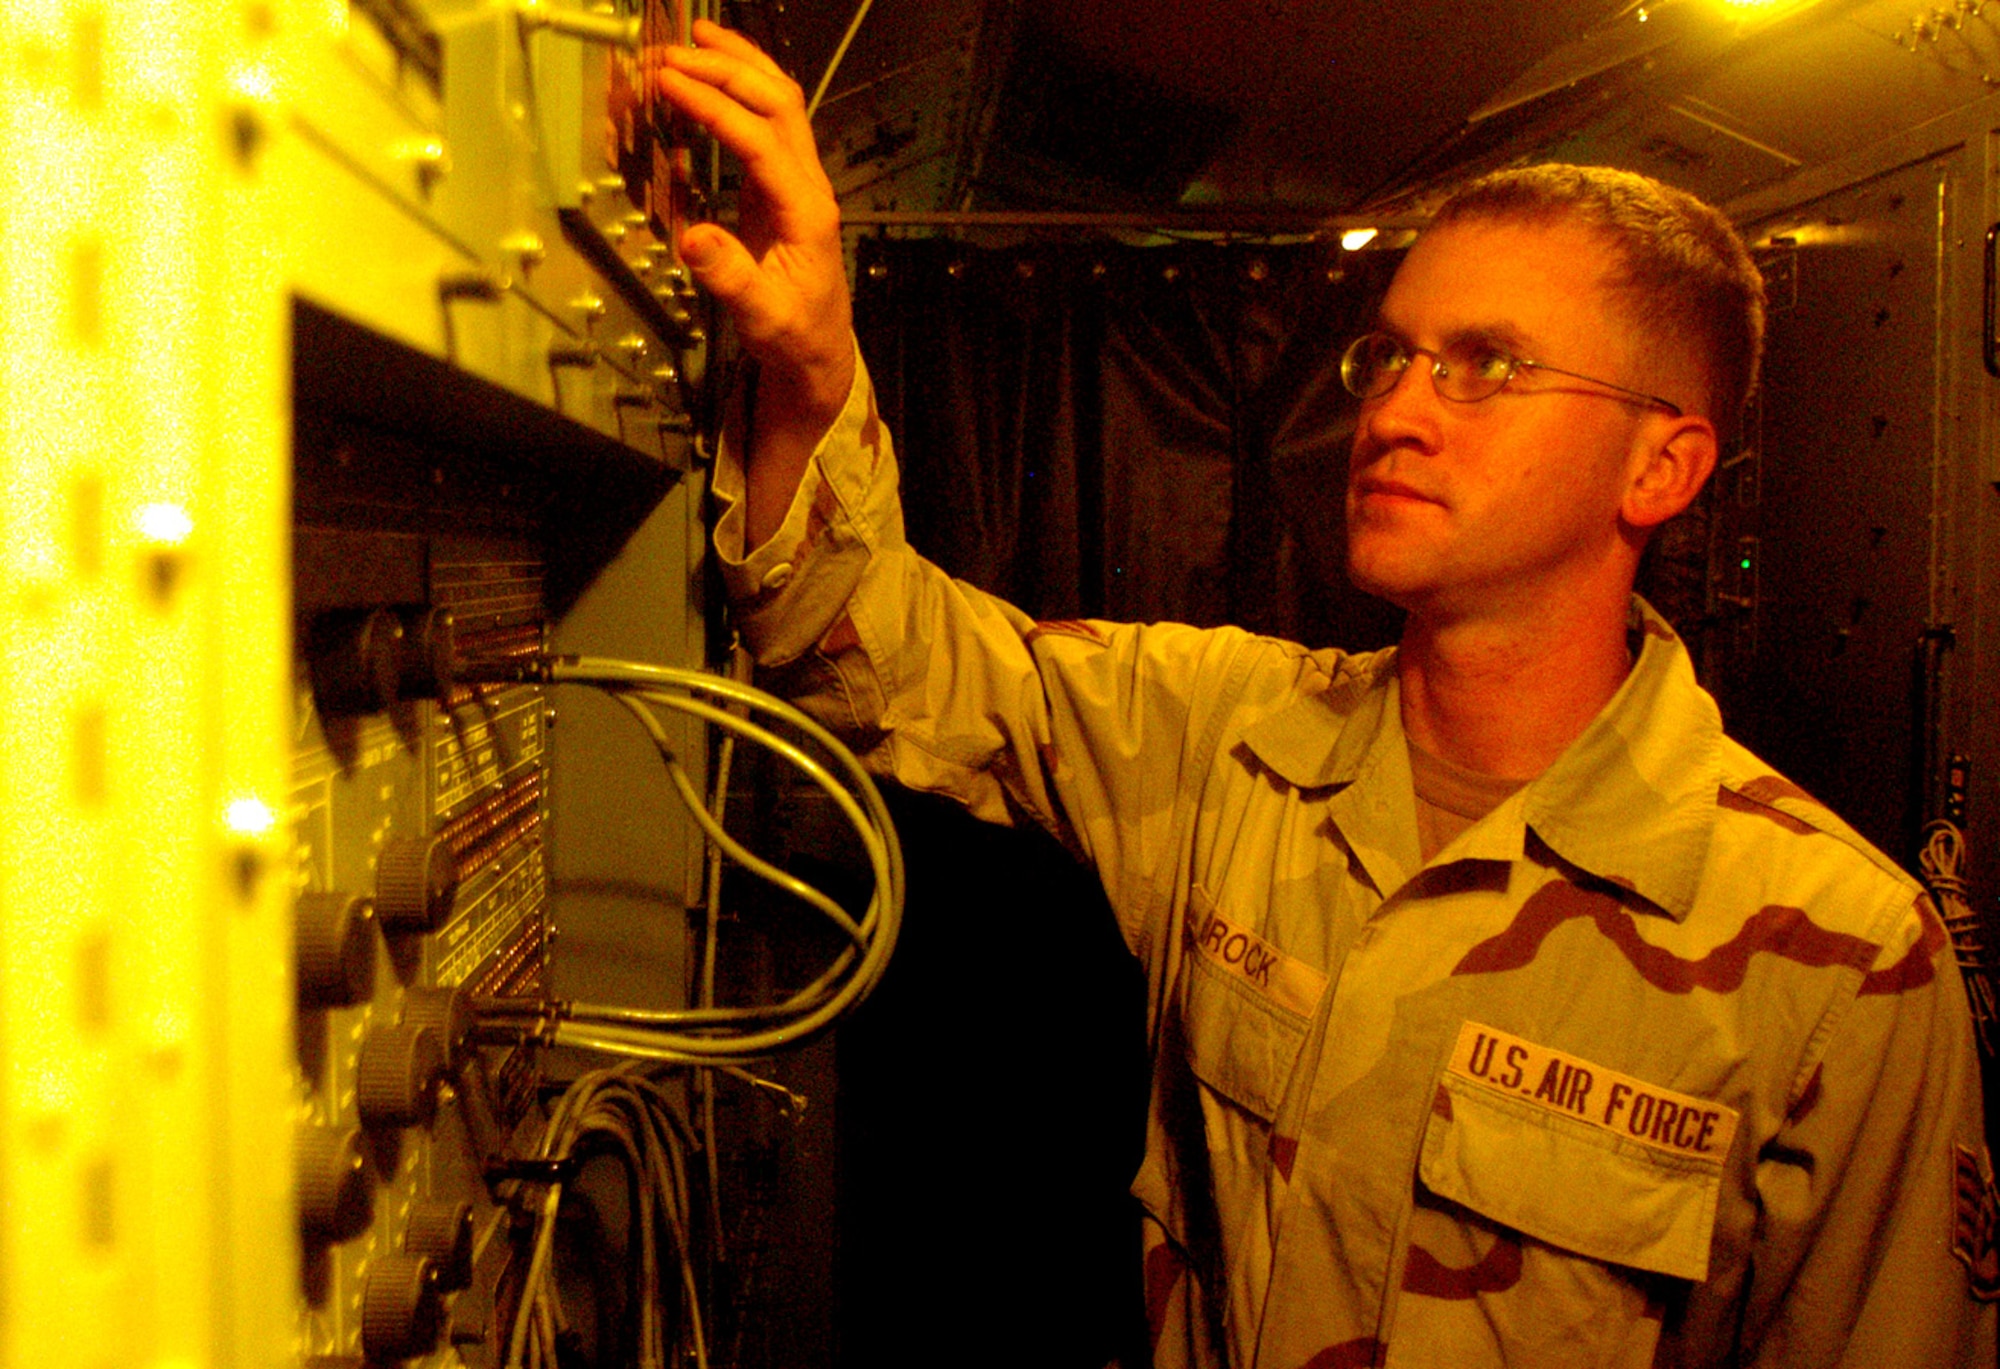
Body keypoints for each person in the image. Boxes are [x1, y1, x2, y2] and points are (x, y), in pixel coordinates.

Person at [649, 22, 1999, 1368]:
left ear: (1662, 467)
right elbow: (864, 642)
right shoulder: (1226, 735)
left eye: (1489, 366)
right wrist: (813, 363)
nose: (1398, 410)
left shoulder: (1837, 961)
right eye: (1391, 357)